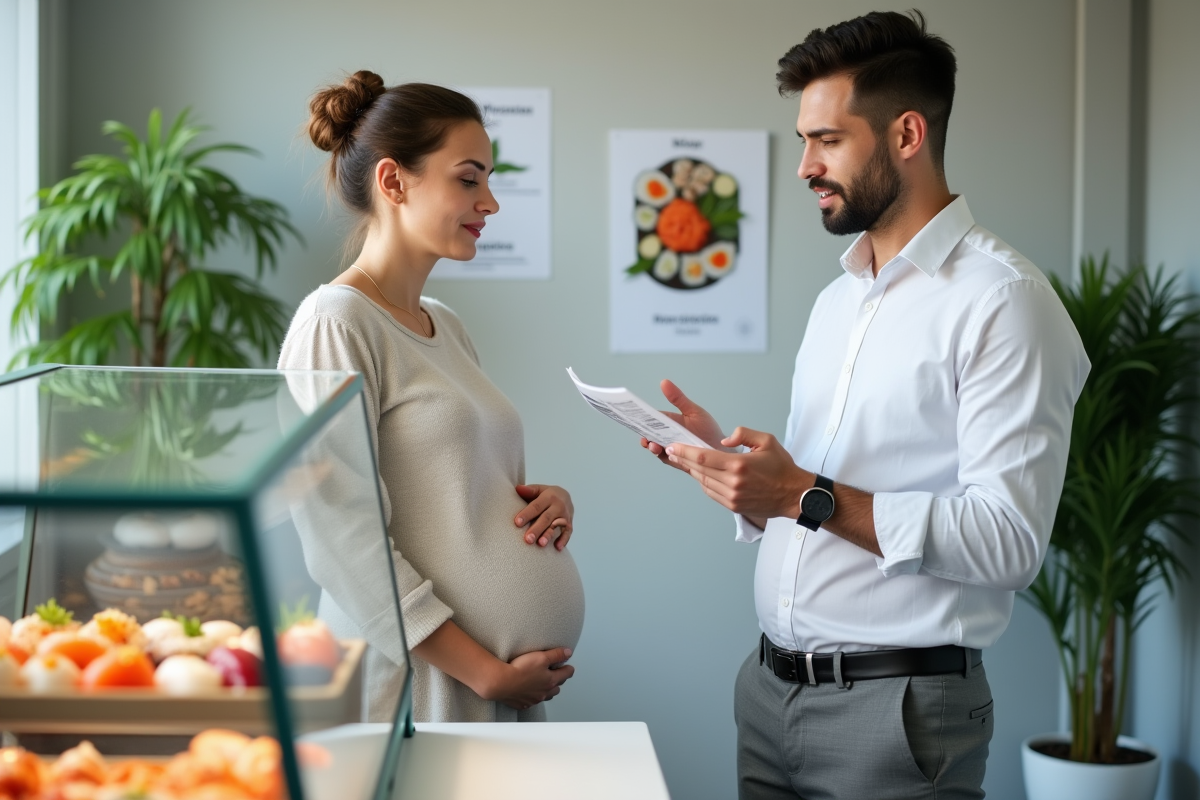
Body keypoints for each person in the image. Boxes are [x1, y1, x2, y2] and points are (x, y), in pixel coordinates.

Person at [641, 11, 1089, 799]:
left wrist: (802, 495)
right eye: (804, 140)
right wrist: (739, 471)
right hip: (768, 694)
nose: (807, 165)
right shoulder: (838, 300)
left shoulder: (1004, 302)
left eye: (829, 140)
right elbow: (822, 489)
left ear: (907, 134)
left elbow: (1009, 540)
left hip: (900, 716)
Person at [279, 71, 584, 723]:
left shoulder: (444, 323)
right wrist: (486, 673)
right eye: (469, 178)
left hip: (490, 689)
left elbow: (459, 495)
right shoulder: (336, 322)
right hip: (420, 686)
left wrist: (540, 503)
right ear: (394, 182)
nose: (491, 202)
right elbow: (340, 538)